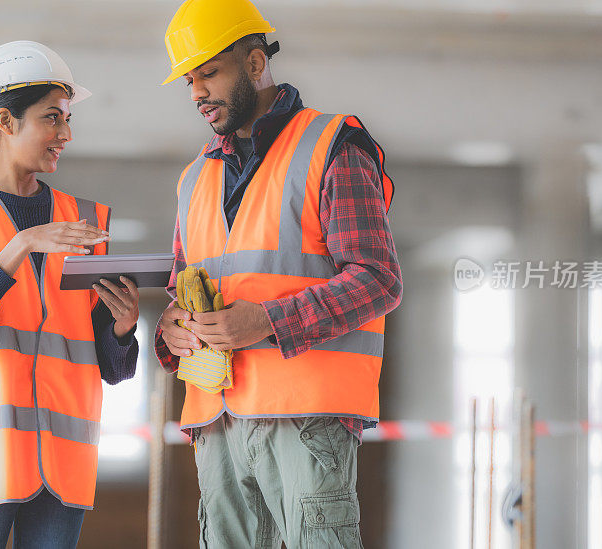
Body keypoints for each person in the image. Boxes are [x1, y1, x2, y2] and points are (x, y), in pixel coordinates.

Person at [155, 1, 403, 547]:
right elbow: (181, 292)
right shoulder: (194, 178)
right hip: (216, 421)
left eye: (209, 73)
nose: (197, 92)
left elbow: (378, 279)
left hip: (306, 416)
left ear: (253, 62)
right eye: (189, 80)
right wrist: (171, 331)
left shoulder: (333, 145)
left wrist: (267, 321)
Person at [0, 41, 140, 549]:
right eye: (52, 118)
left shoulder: (87, 221)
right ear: (6, 123)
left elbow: (113, 367)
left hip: (64, 464)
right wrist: (18, 247)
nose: (66, 134)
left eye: (67, 119)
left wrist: (123, 330)